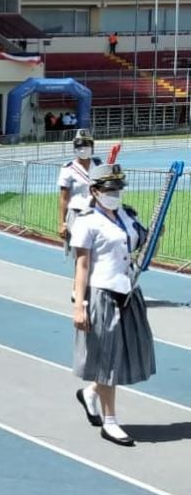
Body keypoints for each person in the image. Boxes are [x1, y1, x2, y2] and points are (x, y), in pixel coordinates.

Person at [71, 164, 155, 447]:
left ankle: (92, 393)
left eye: (118, 188)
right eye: (109, 189)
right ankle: (110, 421)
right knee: (107, 358)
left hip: (129, 291)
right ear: (95, 191)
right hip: (102, 293)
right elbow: (82, 265)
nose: (115, 193)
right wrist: (79, 304)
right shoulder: (87, 221)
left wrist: (156, 233)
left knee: (126, 352)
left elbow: (142, 243)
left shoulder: (128, 216)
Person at [57, 130, 100, 248]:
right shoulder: (68, 169)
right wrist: (62, 224)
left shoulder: (99, 166)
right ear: (75, 147)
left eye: (86, 145)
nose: (83, 148)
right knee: (79, 254)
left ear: (92, 146)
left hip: (96, 214)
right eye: (80, 145)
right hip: (76, 215)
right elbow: (64, 198)